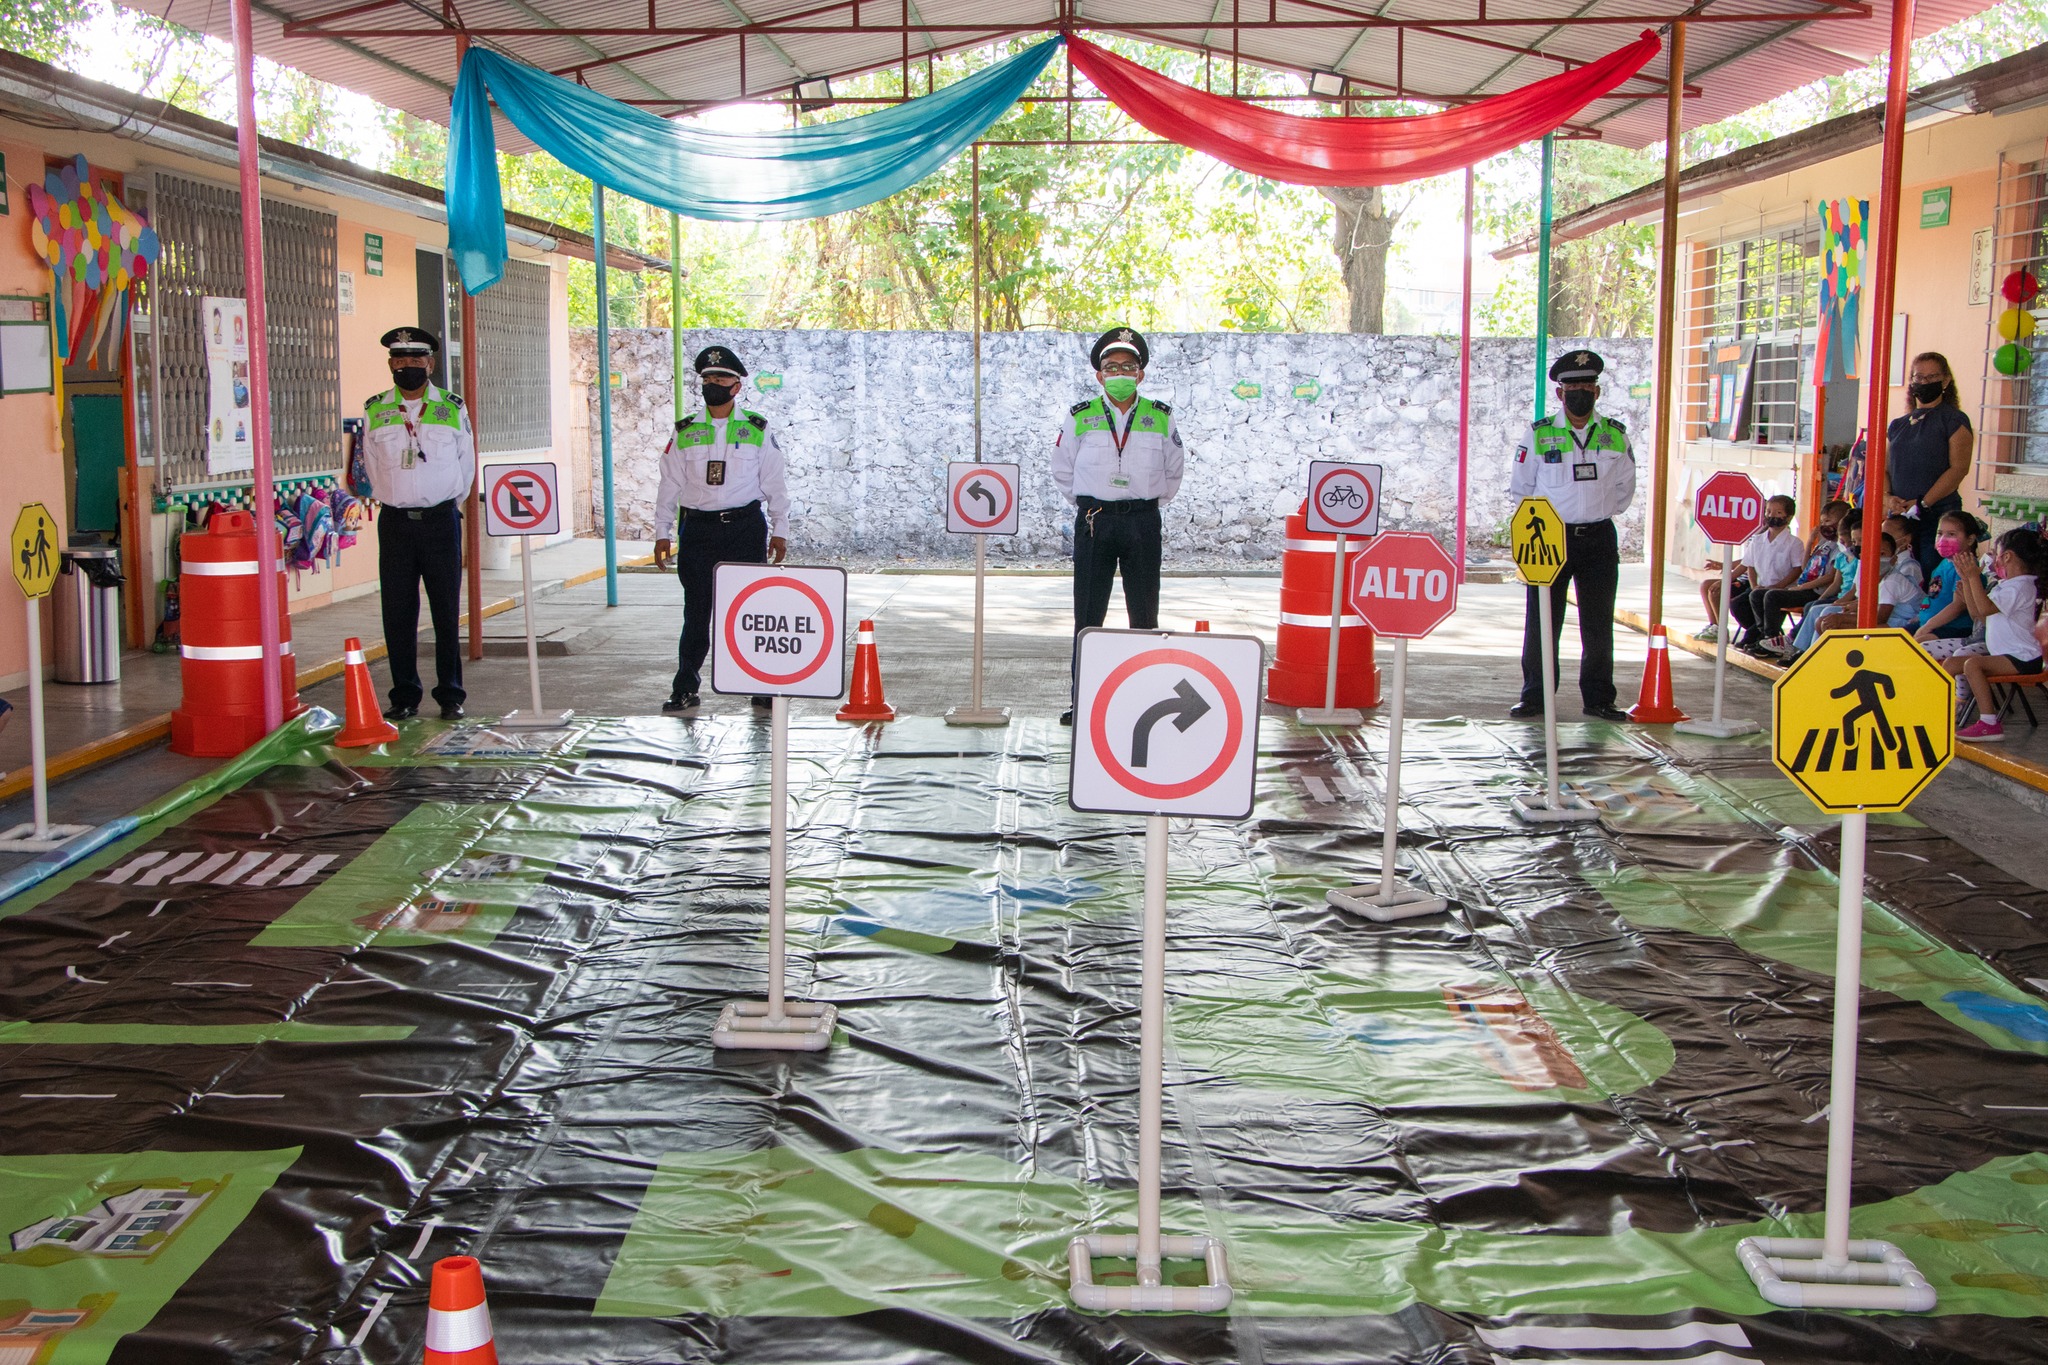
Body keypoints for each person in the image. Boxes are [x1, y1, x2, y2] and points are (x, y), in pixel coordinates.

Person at [1051, 326, 1185, 726]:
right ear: (1100, 375)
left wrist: (1144, 504)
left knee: (1144, 615)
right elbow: (1062, 469)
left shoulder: (1160, 416)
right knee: (1088, 616)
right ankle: (1082, 700)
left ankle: (1143, 701)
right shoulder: (1080, 415)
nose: (1120, 374)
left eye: (1128, 367)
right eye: (1112, 367)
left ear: (1140, 374)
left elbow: (1174, 470)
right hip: (1095, 522)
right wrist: (1091, 502)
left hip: (1142, 522)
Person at [652, 345, 791, 714]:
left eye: (721, 378)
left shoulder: (756, 429)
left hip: (744, 529)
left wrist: (781, 528)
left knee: (750, 610)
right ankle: (685, 687)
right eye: (708, 378)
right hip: (697, 530)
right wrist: (662, 531)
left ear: (736, 387)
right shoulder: (685, 431)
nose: (713, 383)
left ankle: (761, 686)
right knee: (696, 612)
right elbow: (669, 484)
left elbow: (774, 482)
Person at [1508, 349, 1635, 721]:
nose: (1580, 393)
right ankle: (1535, 697)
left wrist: (1596, 510)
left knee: (1598, 623)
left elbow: (1625, 488)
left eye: (1587, 386)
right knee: (1543, 622)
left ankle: (1599, 699)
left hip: (1598, 538)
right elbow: (1522, 488)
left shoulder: (1614, 435)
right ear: (1560, 393)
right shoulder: (1540, 434)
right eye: (1573, 387)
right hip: (1548, 537)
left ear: (1597, 391)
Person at [362, 326, 475, 721]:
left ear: (430, 363)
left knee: (445, 611)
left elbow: (466, 465)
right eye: (399, 359)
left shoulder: (452, 407)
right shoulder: (375, 409)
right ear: (390, 364)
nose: (407, 366)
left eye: (415, 359)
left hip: (440, 522)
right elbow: (372, 467)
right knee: (397, 612)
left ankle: (450, 695)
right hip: (395, 523)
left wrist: (443, 504)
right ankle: (404, 696)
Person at [1950, 527, 2047, 742]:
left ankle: (1989, 723)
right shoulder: (2006, 586)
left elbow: (1984, 609)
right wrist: (1968, 580)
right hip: (2008, 656)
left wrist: (1974, 577)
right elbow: (1979, 615)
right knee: (1951, 664)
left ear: (2007, 556)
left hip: (2023, 658)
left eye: (1995, 553)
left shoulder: (2020, 587)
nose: (1992, 558)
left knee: (1973, 665)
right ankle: (1937, 709)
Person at [1883, 352, 1973, 579]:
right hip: (1900, 518)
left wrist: (1923, 502)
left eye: (1932, 377)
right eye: (1919, 377)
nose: (1924, 382)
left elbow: (1959, 468)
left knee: (1931, 576)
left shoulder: (1954, 420)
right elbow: (1884, 468)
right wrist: (1887, 497)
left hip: (1937, 516)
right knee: (1896, 577)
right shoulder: (1898, 425)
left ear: (1945, 381)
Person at [1745, 498, 1851, 656]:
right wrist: (1810, 542)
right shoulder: (1824, 544)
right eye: (1822, 521)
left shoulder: (1840, 547)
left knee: (1772, 596)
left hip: (1816, 590)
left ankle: (1775, 642)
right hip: (1806, 587)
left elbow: (1831, 577)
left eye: (1828, 521)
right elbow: (1804, 567)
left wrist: (1802, 587)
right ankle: (1767, 638)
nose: (1823, 525)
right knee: (1756, 594)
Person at [1702, 494, 1801, 645]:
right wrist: (1753, 585)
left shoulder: (1794, 543)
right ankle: (1757, 632)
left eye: (1778, 512)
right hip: (1759, 587)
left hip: (1781, 589)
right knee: (1737, 605)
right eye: (1768, 512)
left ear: (1788, 517)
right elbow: (1749, 565)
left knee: (1768, 603)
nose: (1772, 516)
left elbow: (1797, 569)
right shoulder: (1757, 540)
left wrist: (1778, 586)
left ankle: (1758, 635)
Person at [1908, 510, 1988, 656]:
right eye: (1940, 533)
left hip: (1954, 628)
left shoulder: (1966, 567)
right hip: (1929, 624)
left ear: (1970, 539)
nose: (1943, 539)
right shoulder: (1945, 563)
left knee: (1916, 647)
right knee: (1894, 638)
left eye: (1951, 534)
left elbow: (1958, 606)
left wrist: (1927, 626)